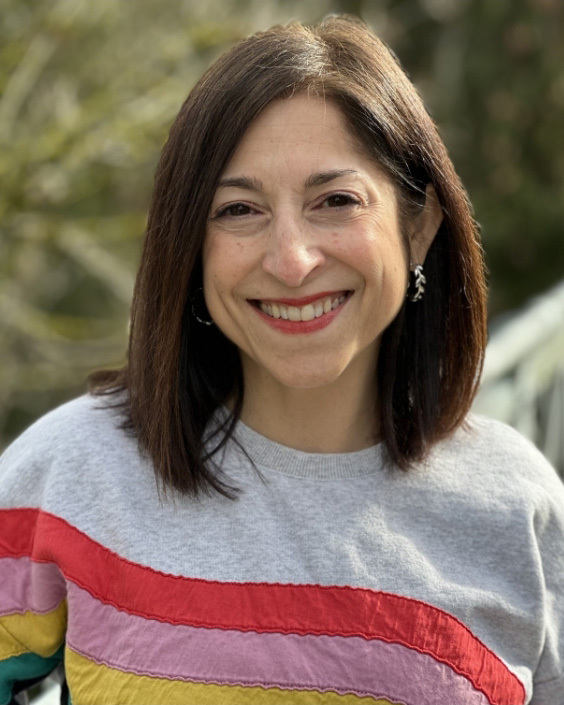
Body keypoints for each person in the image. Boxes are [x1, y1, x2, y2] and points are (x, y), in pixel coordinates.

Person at [0, 15, 563, 705]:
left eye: (335, 201)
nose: (292, 260)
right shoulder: (74, 473)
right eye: (239, 210)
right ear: (191, 248)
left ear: (418, 229)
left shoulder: (518, 510)